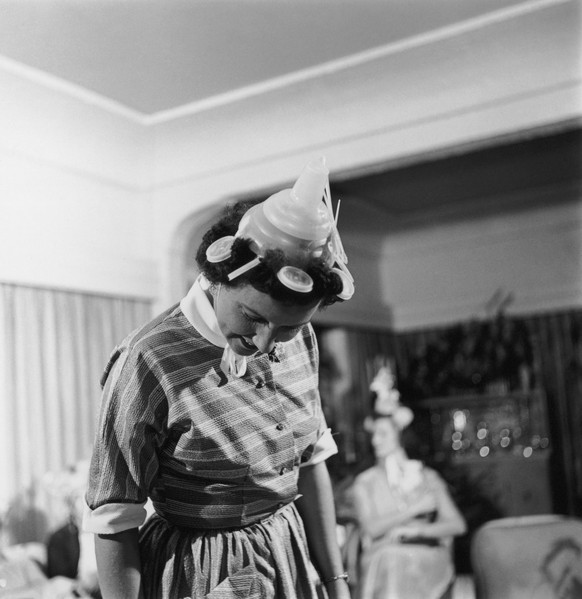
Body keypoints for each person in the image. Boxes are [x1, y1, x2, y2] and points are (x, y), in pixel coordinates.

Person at [83, 157, 354, 599]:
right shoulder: (149, 361)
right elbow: (115, 518)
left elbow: (311, 461)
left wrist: (336, 583)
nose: (267, 343)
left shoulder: (300, 340)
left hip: (288, 557)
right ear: (219, 277)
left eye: (287, 327)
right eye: (252, 316)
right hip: (203, 573)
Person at [351, 363, 466, 599]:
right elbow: (370, 528)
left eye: (383, 435)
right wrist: (413, 510)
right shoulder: (365, 482)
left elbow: (457, 525)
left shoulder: (425, 475)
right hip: (382, 558)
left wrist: (418, 531)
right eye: (373, 435)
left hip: (424, 556)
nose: (376, 442)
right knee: (392, 560)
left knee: (403, 560)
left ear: (400, 436)